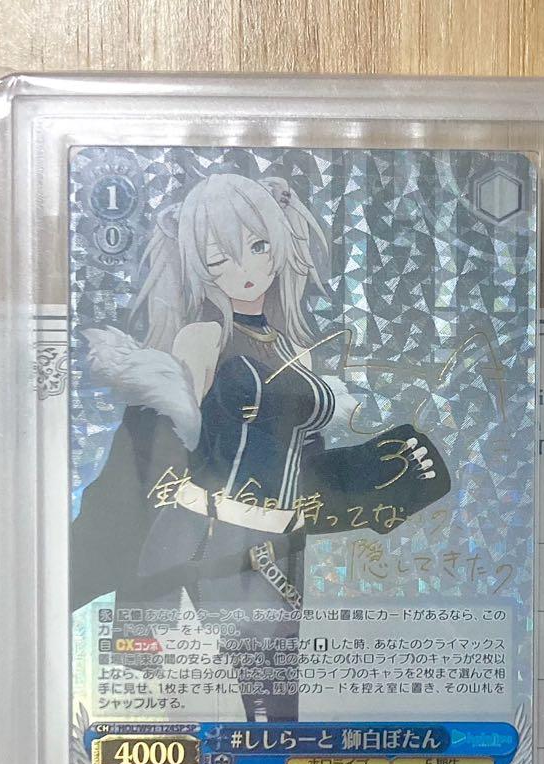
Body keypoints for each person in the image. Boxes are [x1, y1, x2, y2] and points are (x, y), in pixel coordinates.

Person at [72, 171, 450, 722]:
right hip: (203, 540)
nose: (245, 271)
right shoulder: (203, 337)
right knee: (189, 706)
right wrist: (127, 558)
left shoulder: (295, 347)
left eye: (257, 247)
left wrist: (372, 476)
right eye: (218, 260)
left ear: (277, 242)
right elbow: (166, 446)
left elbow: (304, 468)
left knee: (276, 708)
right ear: (199, 267)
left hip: (278, 545)